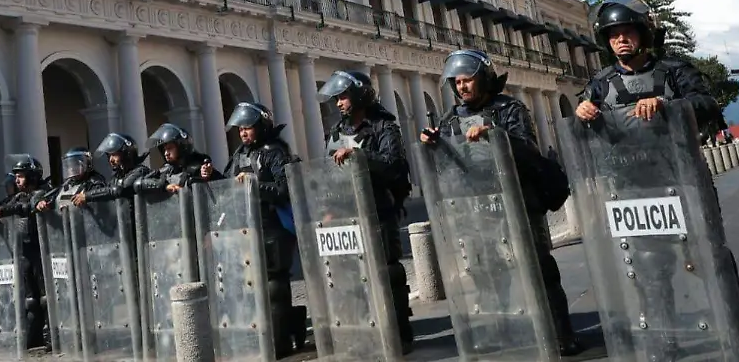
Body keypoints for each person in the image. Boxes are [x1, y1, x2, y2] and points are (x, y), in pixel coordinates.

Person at [576, 0, 739, 360]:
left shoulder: (676, 72)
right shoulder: (600, 84)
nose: (620, 39)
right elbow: (589, 135)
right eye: (613, 34)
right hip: (633, 190)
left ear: (644, 33)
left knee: (709, 260)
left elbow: (708, 104)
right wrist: (585, 110)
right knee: (649, 270)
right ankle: (665, 341)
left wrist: (670, 105)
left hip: (682, 182)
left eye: (627, 31)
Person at [421, 49, 581, 356]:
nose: (461, 87)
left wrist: (495, 135)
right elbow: (447, 164)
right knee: (487, 275)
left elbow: (529, 148)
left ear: (483, 79)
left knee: (538, 269)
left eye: (467, 80)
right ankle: (504, 330)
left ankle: (561, 334)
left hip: (517, 201)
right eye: (456, 82)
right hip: (477, 208)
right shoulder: (452, 117)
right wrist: (432, 144)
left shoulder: (509, 108)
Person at [317, 70, 414, 351]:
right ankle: (365, 333)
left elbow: (395, 166)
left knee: (387, 274)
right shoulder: (337, 132)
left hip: (379, 211)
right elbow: (327, 173)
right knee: (352, 277)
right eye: (336, 98)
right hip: (347, 215)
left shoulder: (384, 127)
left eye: (343, 96)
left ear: (360, 95)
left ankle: (400, 335)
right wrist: (327, 209)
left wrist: (361, 157)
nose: (338, 103)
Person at [205, 102, 306, 355]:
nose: (243, 133)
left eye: (247, 127)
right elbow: (229, 185)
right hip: (246, 229)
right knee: (250, 287)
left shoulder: (275, 151)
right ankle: (272, 333)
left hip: (274, 227)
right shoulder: (239, 154)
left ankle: (281, 343)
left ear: (261, 126)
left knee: (274, 285)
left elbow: (285, 189)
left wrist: (255, 185)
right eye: (240, 128)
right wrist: (212, 175)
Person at [0, 155, 52, 349]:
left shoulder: (42, 192)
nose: (17, 180)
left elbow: (27, 207)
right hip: (24, 251)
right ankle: (33, 335)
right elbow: (5, 205)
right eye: (16, 176)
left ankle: (50, 335)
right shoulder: (19, 195)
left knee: (44, 296)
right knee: (30, 298)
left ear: (32, 177)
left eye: (21, 176)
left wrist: (2, 212)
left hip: (41, 250)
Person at [140, 123, 221, 195]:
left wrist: (208, 176)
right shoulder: (165, 171)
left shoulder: (198, 169)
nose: (166, 153)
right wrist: (165, 186)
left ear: (181, 147)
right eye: (164, 150)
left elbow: (224, 185)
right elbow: (138, 184)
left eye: (169, 148)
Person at [73, 133, 153, 206]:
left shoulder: (140, 171)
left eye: (114, 154)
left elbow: (120, 190)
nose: (111, 159)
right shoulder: (115, 178)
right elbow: (106, 193)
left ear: (127, 154)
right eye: (109, 155)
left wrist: (87, 196)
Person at [36, 147, 107, 212]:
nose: (72, 169)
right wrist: (41, 202)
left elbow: (102, 195)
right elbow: (51, 197)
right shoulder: (67, 184)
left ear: (87, 164)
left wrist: (87, 196)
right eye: (69, 166)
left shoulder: (95, 181)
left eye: (76, 164)